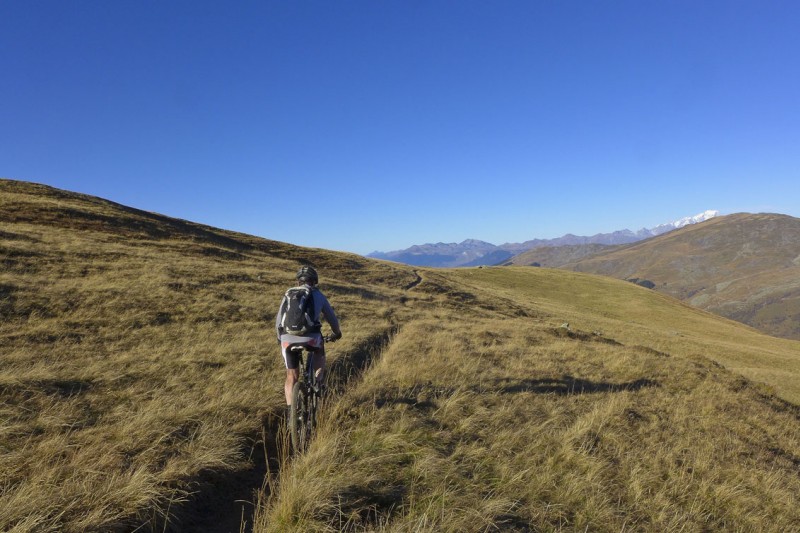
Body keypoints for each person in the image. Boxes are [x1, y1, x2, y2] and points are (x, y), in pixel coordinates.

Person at [275, 265, 342, 418]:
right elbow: (332, 318)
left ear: (298, 281)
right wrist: (336, 333)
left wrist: (281, 340)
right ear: (314, 281)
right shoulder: (318, 295)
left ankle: (291, 413)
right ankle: (318, 382)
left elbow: (278, 321)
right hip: (311, 338)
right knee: (318, 349)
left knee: (291, 376)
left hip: (287, 339)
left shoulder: (288, 294)